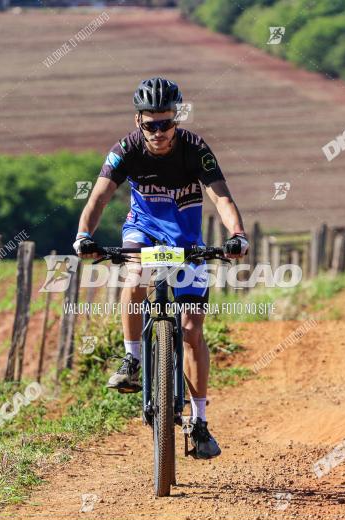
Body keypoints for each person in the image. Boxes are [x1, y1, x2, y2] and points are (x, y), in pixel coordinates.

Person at [72, 77, 248, 459]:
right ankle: (133, 358)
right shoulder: (126, 149)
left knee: (190, 330)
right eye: (150, 124)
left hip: (187, 243)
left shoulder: (195, 149)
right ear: (138, 121)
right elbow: (99, 197)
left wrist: (237, 235)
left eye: (165, 123)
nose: (158, 132)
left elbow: (221, 197)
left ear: (177, 120)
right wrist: (84, 235)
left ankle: (200, 423)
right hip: (144, 233)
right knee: (136, 275)